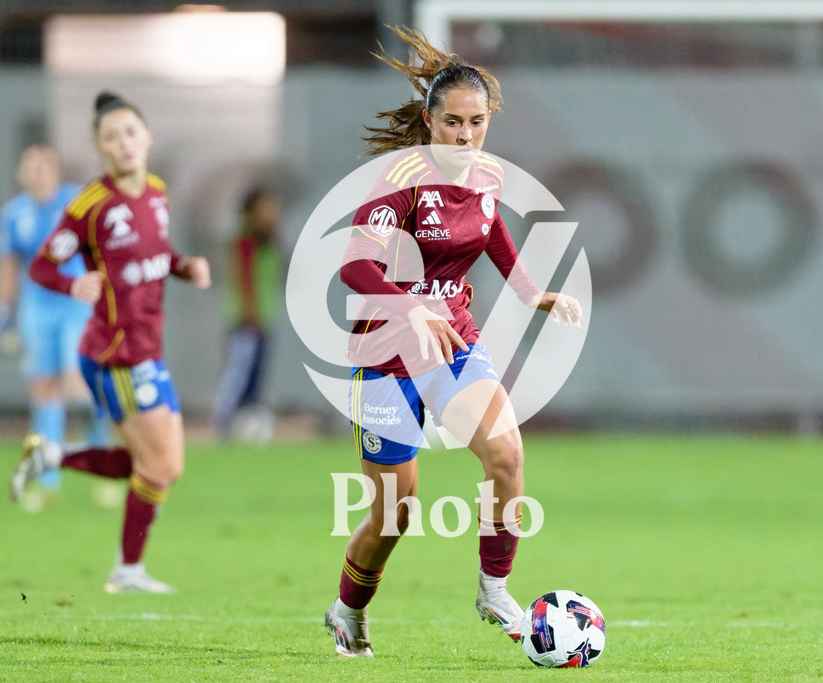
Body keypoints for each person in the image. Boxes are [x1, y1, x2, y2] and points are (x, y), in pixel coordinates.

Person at [323, 27, 583, 657]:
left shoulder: (488, 177)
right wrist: (411, 307)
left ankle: (494, 589)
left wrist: (529, 293)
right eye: (453, 124)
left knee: (507, 456)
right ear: (428, 121)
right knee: (396, 512)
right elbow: (355, 267)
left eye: (476, 123)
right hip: (385, 358)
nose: (466, 136)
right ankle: (346, 609)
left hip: (453, 343)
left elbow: (491, 234)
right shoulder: (399, 180)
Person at [10, 91, 211, 594]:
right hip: (115, 354)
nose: (123, 143)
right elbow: (41, 265)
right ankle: (127, 570)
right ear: (100, 148)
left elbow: (158, 253)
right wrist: (72, 283)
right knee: (159, 465)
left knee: (166, 465)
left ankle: (52, 457)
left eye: (130, 132)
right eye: (111, 137)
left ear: (146, 137)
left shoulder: (158, 193)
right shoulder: (90, 206)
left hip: (148, 349)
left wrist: (186, 266)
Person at [0, 144, 109, 499]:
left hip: (76, 306)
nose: (38, 172)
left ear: (56, 170)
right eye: (31, 166)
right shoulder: (14, 214)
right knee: (44, 390)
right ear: (21, 173)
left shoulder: (76, 203)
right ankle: (46, 480)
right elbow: (9, 265)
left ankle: (103, 465)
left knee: (80, 386)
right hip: (36, 310)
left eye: (44, 166)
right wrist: (3, 314)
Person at [210, 186, 284, 440]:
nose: (270, 214)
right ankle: (223, 425)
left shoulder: (270, 242)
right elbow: (244, 280)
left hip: (264, 319)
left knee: (255, 378)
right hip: (246, 321)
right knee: (238, 375)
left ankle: (247, 427)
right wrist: (250, 314)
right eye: (264, 208)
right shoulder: (243, 243)